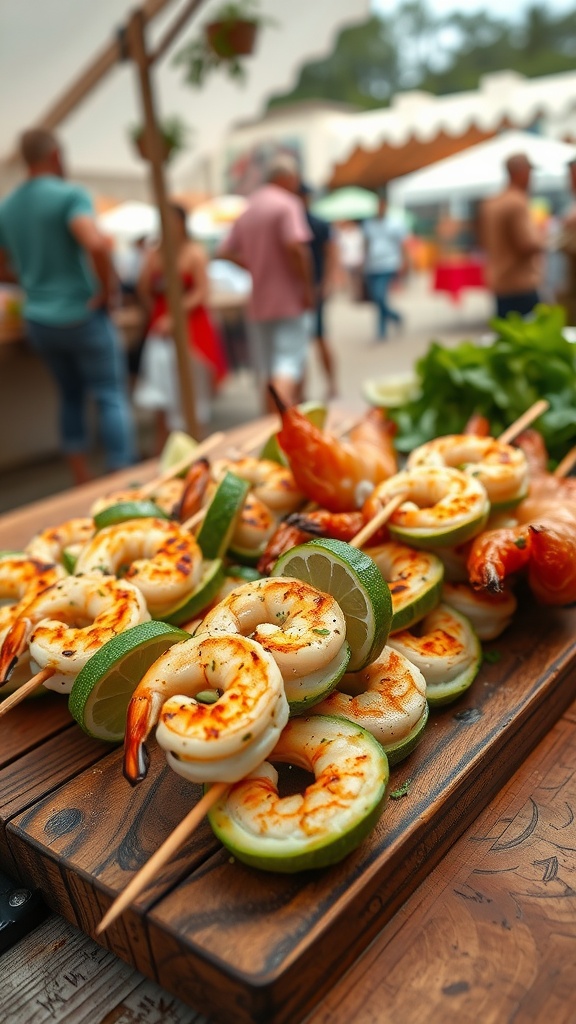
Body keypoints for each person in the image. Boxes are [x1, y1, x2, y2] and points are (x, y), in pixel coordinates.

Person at [0, 128, 136, 485]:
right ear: (56, 156)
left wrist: (31, 281)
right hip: (81, 314)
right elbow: (96, 244)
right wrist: (107, 293)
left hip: (39, 322)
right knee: (109, 394)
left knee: (70, 396)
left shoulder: (8, 206)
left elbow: (2, 265)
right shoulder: (69, 195)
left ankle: (81, 478)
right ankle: (121, 476)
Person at [218, 153, 314, 413]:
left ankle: (269, 427)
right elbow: (296, 248)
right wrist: (306, 289)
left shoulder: (248, 208)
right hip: (288, 301)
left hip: (258, 303)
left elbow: (224, 251)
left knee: (267, 371)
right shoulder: (287, 204)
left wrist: (252, 265)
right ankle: (284, 426)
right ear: (287, 178)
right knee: (288, 365)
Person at [133, 203, 228, 453]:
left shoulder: (194, 253)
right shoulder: (155, 254)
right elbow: (143, 287)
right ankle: (162, 448)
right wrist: (157, 311)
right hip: (162, 328)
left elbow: (202, 292)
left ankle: (198, 446)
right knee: (162, 392)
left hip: (191, 328)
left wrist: (175, 314)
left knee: (194, 393)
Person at [480, 153, 545, 320]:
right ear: (520, 172)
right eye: (530, 173)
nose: (532, 178)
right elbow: (527, 244)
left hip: (500, 282)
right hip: (520, 284)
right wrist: (547, 238)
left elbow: (484, 241)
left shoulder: (491, 203)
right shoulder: (517, 201)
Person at [299, 182, 339, 400]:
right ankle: (302, 391)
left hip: (315, 290)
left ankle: (332, 383)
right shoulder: (292, 222)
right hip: (300, 293)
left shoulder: (318, 224)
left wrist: (327, 282)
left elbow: (331, 252)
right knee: (301, 345)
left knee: (320, 338)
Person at [362, 189, 409, 340]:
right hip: (372, 265)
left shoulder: (395, 223)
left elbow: (403, 244)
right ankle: (391, 320)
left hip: (389, 263)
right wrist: (364, 262)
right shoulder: (369, 224)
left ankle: (383, 329)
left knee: (380, 295)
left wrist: (404, 262)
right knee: (377, 298)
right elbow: (366, 244)